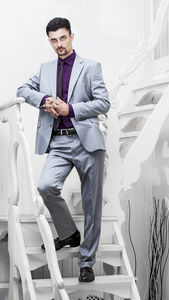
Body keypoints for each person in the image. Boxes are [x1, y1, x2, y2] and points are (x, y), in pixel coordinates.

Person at [17, 17, 110, 282]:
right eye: (54, 40)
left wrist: (70, 109)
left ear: (71, 36)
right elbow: (22, 88)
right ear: (49, 41)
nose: (59, 44)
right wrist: (44, 99)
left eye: (63, 38)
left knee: (92, 205)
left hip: (87, 143)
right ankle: (68, 232)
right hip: (58, 141)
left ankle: (87, 262)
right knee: (46, 186)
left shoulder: (91, 67)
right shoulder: (45, 69)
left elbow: (103, 103)